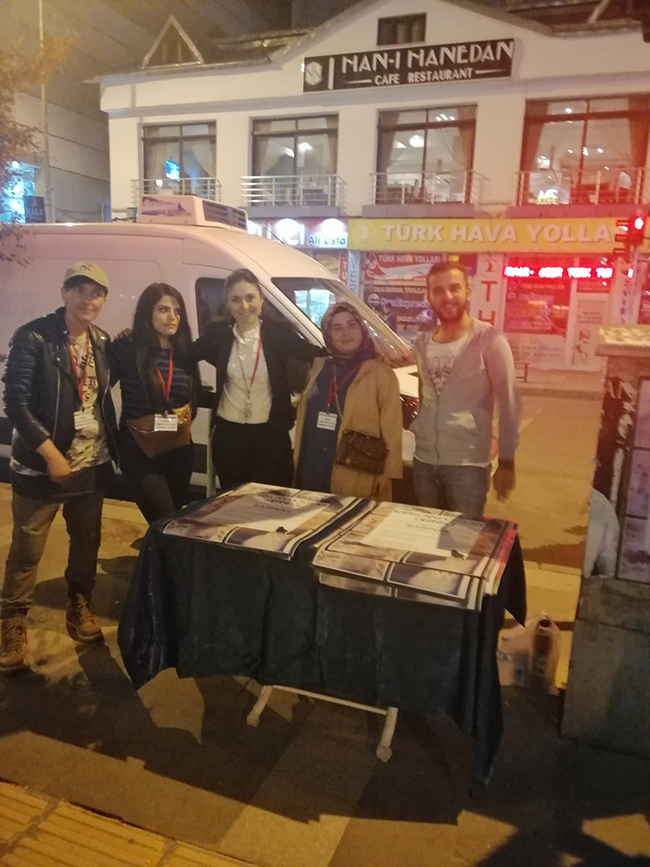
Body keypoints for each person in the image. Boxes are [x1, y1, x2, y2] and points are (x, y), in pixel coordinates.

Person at [0, 261, 118, 673]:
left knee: (86, 541)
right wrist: (50, 453)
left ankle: (79, 602)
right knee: (27, 549)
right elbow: (15, 402)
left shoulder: (102, 341)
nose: (89, 299)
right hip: (40, 466)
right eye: (80, 289)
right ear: (65, 293)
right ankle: (13, 620)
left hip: (92, 464)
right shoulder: (33, 336)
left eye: (97, 292)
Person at [191, 268, 323, 489]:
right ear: (228, 304)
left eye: (250, 297)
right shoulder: (218, 333)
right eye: (235, 300)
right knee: (232, 500)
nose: (244, 306)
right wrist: (196, 395)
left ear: (261, 299)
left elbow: (315, 354)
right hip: (229, 437)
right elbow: (185, 355)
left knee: (271, 501)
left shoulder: (279, 333)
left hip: (270, 437)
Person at [410, 261, 520, 518]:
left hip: (467, 466)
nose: (447, 296)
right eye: (438, 290)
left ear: (467, 292)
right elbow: (424, 397)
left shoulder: (489, 340)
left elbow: (509, 404)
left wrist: (506, 461)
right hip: (424, 463)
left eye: (454, 288)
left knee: (463, 538)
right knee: (426, 536)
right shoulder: (422, 344)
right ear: (429, 296)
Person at [108, 283, 201, 523]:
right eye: (163, 310)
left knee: (172, 522)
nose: (172, 317)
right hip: (138, 452)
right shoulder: (126, 349)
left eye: (177, 311)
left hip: (179, 450)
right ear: (146, 312)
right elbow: (97, 387)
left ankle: (155, 549)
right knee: (164, 520)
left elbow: (194, 397)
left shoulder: (185, 352)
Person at [294, 302, 402, 499]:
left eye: (352, 324)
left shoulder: (381, 374)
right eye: (337, 328)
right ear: (328, 335)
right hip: (311, 466)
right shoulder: (320, 367)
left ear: (361, 329)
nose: (346, 333)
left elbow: (392, 430)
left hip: (355, 472)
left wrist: (387, 474)